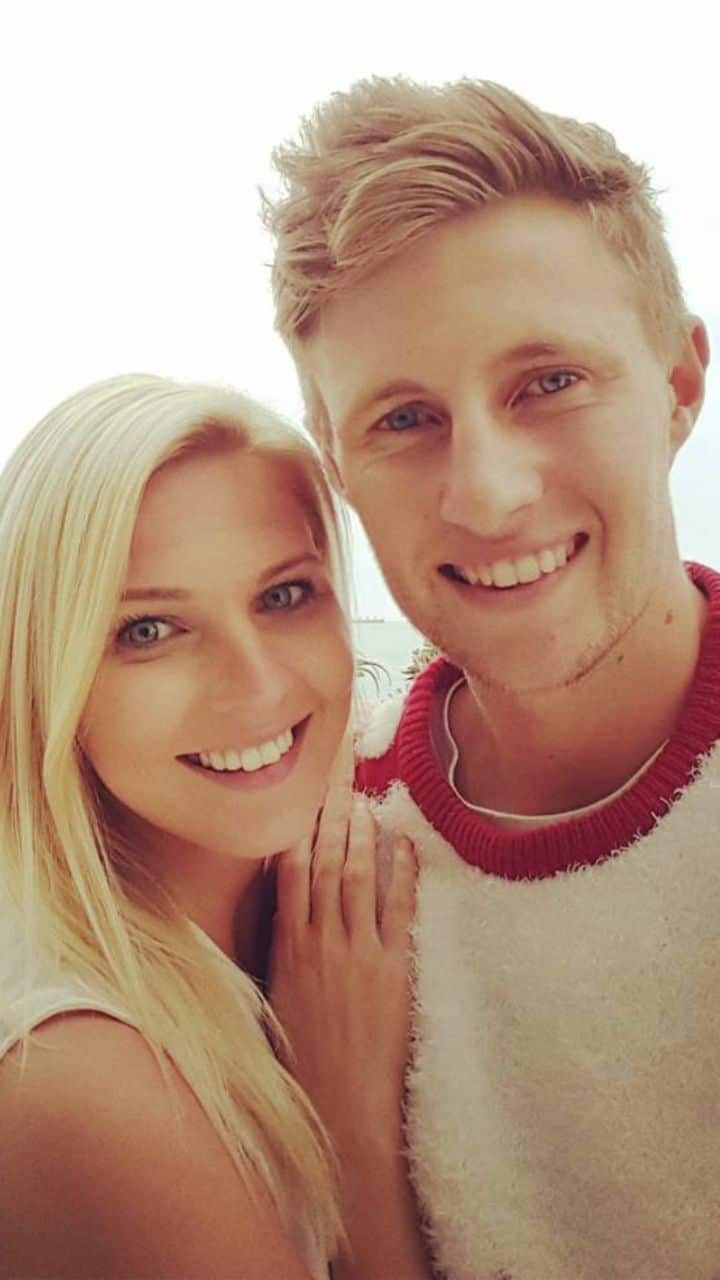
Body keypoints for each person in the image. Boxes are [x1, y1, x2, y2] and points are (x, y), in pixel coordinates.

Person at [265, 78, 720, 1279]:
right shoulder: (322, 849)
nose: (487, 493)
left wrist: (352, 1143)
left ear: (680, 384)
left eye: (548, 381)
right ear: (336, 463)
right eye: (403, 418)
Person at [0, 373, 420, 1280]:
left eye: (284, 596)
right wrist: (349, 1134)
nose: (258, 684)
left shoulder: (305, 892)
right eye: (149, 630)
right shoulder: (88, 1080)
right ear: (44, 676)